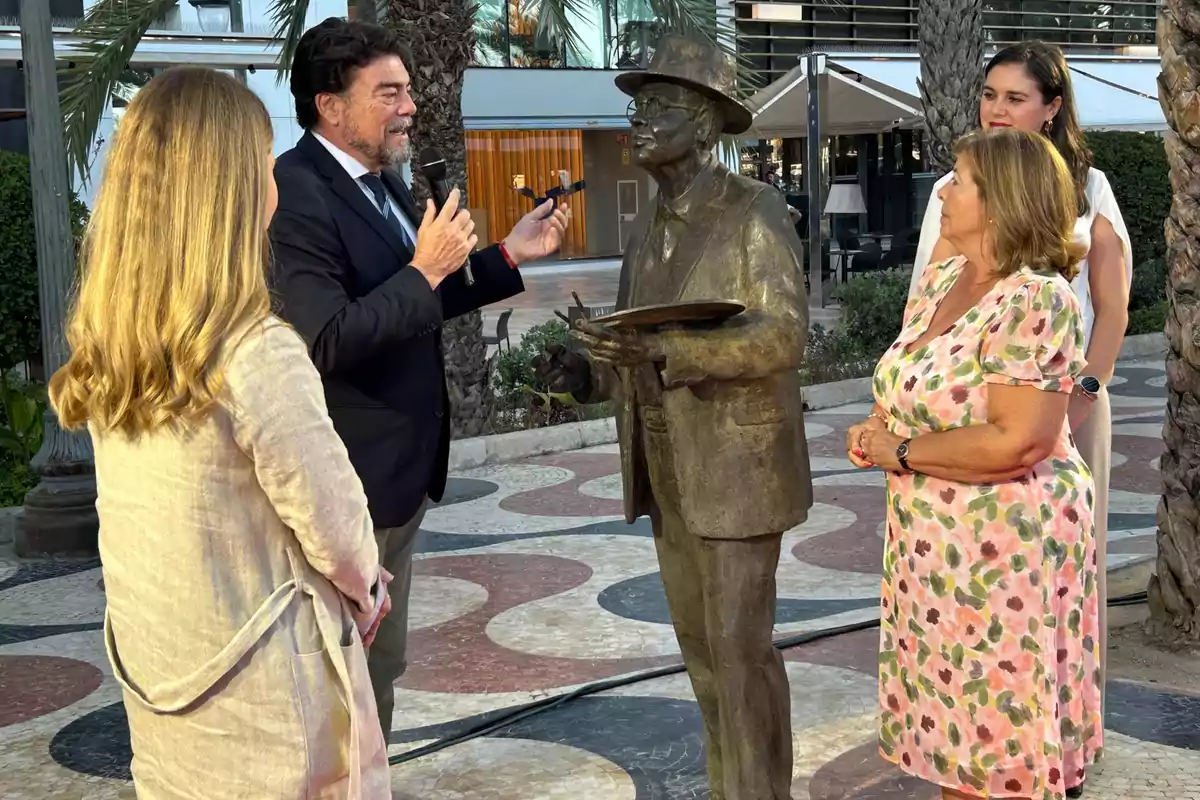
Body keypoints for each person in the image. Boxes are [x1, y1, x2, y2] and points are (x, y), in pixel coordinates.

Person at [48, 67, 390, 798]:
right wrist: (369, 590)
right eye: (264, 165)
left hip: (166, 682)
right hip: (267, 710)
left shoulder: (116, 347)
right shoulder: (256, 352)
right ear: (231, 193)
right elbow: (336, 527)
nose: (276, 182)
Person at [269, 17, 568, 738]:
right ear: (329, 106)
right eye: (389, 93)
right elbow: (325, 339)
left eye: (407, 92)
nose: (409, 108)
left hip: (399, 479)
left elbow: (422, 297)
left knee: (378, 671)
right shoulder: (295, 193)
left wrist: (509, 255)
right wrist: (424, 267)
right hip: (349, 484)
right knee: (344, 682)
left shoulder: (384, 185)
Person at [536, 34, 811, 800]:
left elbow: (784, 334)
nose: (638, 120)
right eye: (637, 106)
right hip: (671, 472)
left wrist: (673, 355)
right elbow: (641, 347)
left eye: (658, 106)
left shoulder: (753, 212)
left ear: (704, 123)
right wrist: (587, 373)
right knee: (702, 656)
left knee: (739, 654)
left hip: (737, 471)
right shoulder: (647, 231)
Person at [850, 128, 1101, 800]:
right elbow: (918, 385)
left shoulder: (1035, 299)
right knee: (958, 742)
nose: (942, 190)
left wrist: (898, 451)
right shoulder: (944, 277)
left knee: (999, 751)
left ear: (1001, 203)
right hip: (935, 552)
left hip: (1003, 553)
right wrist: (881, 424)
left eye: (958, 179)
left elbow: (1015, 441)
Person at [910, 42, 1132, 711]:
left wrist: (1086, 394)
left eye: (1016, 97)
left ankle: (1061, 730)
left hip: (1066, 406)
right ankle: (983, 719)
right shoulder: (955, 193)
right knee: (978, 588)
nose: (997, 109)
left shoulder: (1088, 189)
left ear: (1052, 107)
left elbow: (1113, 303)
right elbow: (927, 301)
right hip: (971, 416)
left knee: (1066, 574)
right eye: (989, 94)